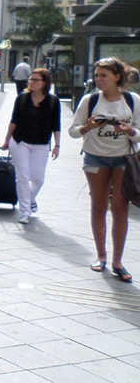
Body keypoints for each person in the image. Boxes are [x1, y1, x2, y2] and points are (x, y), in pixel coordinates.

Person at [68, 57, 140, 282]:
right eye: (97, 75)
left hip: (123, 160)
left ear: (117, 77)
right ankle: (101, 256)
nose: (98, 79)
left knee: (120, 209)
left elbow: (139, 131)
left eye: (104, 76)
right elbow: (73, 130)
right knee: (98, 206)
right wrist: (87, 127)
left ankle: (118, 262)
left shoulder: (133, 100)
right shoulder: (89, 100)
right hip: (95, 158)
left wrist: (130, 131)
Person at [1, 67, 60, 224]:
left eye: (36, 80)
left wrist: (57, 145)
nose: (31, 82)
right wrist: (7, 140)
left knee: (38, 178)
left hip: (41, 144)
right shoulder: (22, 98)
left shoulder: (53, 101)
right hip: (20, 141)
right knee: (23, 176)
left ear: (45, 82)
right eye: (30, 79)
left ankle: (30, 198)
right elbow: (14, 120)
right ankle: (25, 211)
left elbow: (56, 125)